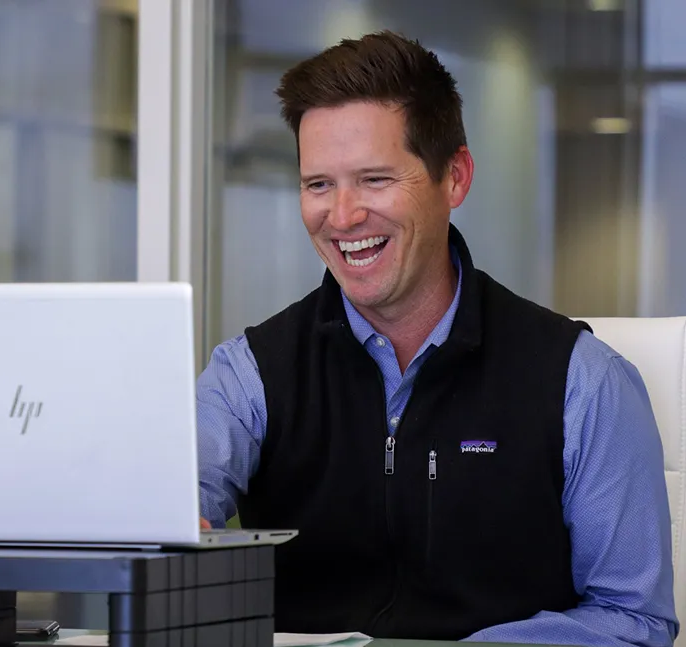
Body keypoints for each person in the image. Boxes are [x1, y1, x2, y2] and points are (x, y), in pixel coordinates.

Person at [196, 30, 678, 646]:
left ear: (454, 177)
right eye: (318, 184)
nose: (341, 217)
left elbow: (635, 621)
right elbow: (166, 509)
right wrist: (166, 523)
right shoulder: (246, 376)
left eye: (373, 179)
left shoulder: (583, 383)